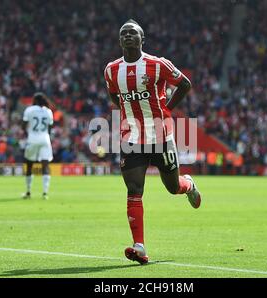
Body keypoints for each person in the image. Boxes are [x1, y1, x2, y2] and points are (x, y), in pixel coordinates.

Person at [103, 19, 201, 265]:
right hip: (131, 137)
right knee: (134, 190)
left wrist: (165, 108)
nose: (127, 35)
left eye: (132, 33)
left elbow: (185, 84)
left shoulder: (157, 64)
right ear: (119, 40)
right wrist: (129, 113)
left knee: (172, 187)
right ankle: (140, 246)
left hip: (161, 136)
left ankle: (187, 185)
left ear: (142, 39)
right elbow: (113, 94)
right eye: (123, 32)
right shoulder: (111, 70)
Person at [22, 92, 54, 200]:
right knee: (45, 166)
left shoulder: (29, 110)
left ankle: (28, 192)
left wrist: (28, 132)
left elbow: (24, 125)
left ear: (34, 100)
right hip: (45, 139)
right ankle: (45, 193)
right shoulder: (48, 111)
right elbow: (50, 128)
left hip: (33, 139)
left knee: (29, 165)